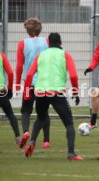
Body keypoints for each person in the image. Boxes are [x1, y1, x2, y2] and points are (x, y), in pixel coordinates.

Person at [23, 32, 83, 160]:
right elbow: (73, 76)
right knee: (69, 124)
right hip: (56, 93)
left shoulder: (40, 55)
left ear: (48, 43)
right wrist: (76, 92)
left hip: (40, 93)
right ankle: (71, 153)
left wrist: (27, 93)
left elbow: (29, 76)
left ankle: (32, 142)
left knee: (40, 118)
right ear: (60, 42)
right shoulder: (65, 55)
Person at [15, 17, 51, 149]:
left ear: (28, 30)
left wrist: (18, 83)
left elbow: (19, 66)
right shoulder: (47, 42)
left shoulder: (22, 44)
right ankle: (46, 140)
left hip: (29, 82)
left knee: (26, 110)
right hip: (44, 82)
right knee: (44, 111)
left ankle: (25, 131)